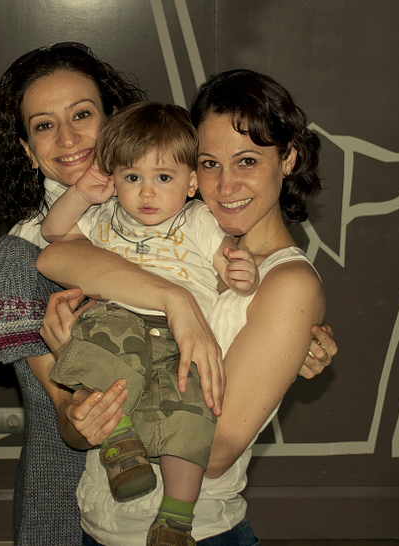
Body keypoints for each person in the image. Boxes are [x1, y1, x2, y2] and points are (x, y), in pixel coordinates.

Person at [0, 41, 334, 544]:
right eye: (210, 163)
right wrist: (172, 303)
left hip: (191, 523)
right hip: (91, 513)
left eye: (247, 160)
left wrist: (287, 345)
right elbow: (51, 255)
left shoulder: (259, 268)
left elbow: (216, 448)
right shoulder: (84, 232)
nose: (225, 184)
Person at [41, 101, 260, 544]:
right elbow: (54, 234)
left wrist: (243, 273)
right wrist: (82, 194)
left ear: (191, 182)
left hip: (182, 340)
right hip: (120, 322)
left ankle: (176, 519)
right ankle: (122, 447)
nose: (146, 193)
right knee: (103, 344)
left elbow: (228, 267)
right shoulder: (106, 218)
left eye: (163, 178)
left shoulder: (197, 219)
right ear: (113, 178)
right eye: (131, 178)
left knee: (190, 411)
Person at [0, 42, 147, 545]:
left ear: (115, 119)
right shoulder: (21, 256)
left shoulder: (172, 216)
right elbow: (69, 415)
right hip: (66, 504)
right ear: (27, 148)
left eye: (82, 114)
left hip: (181, 495)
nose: (67, 137)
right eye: (44, 125)